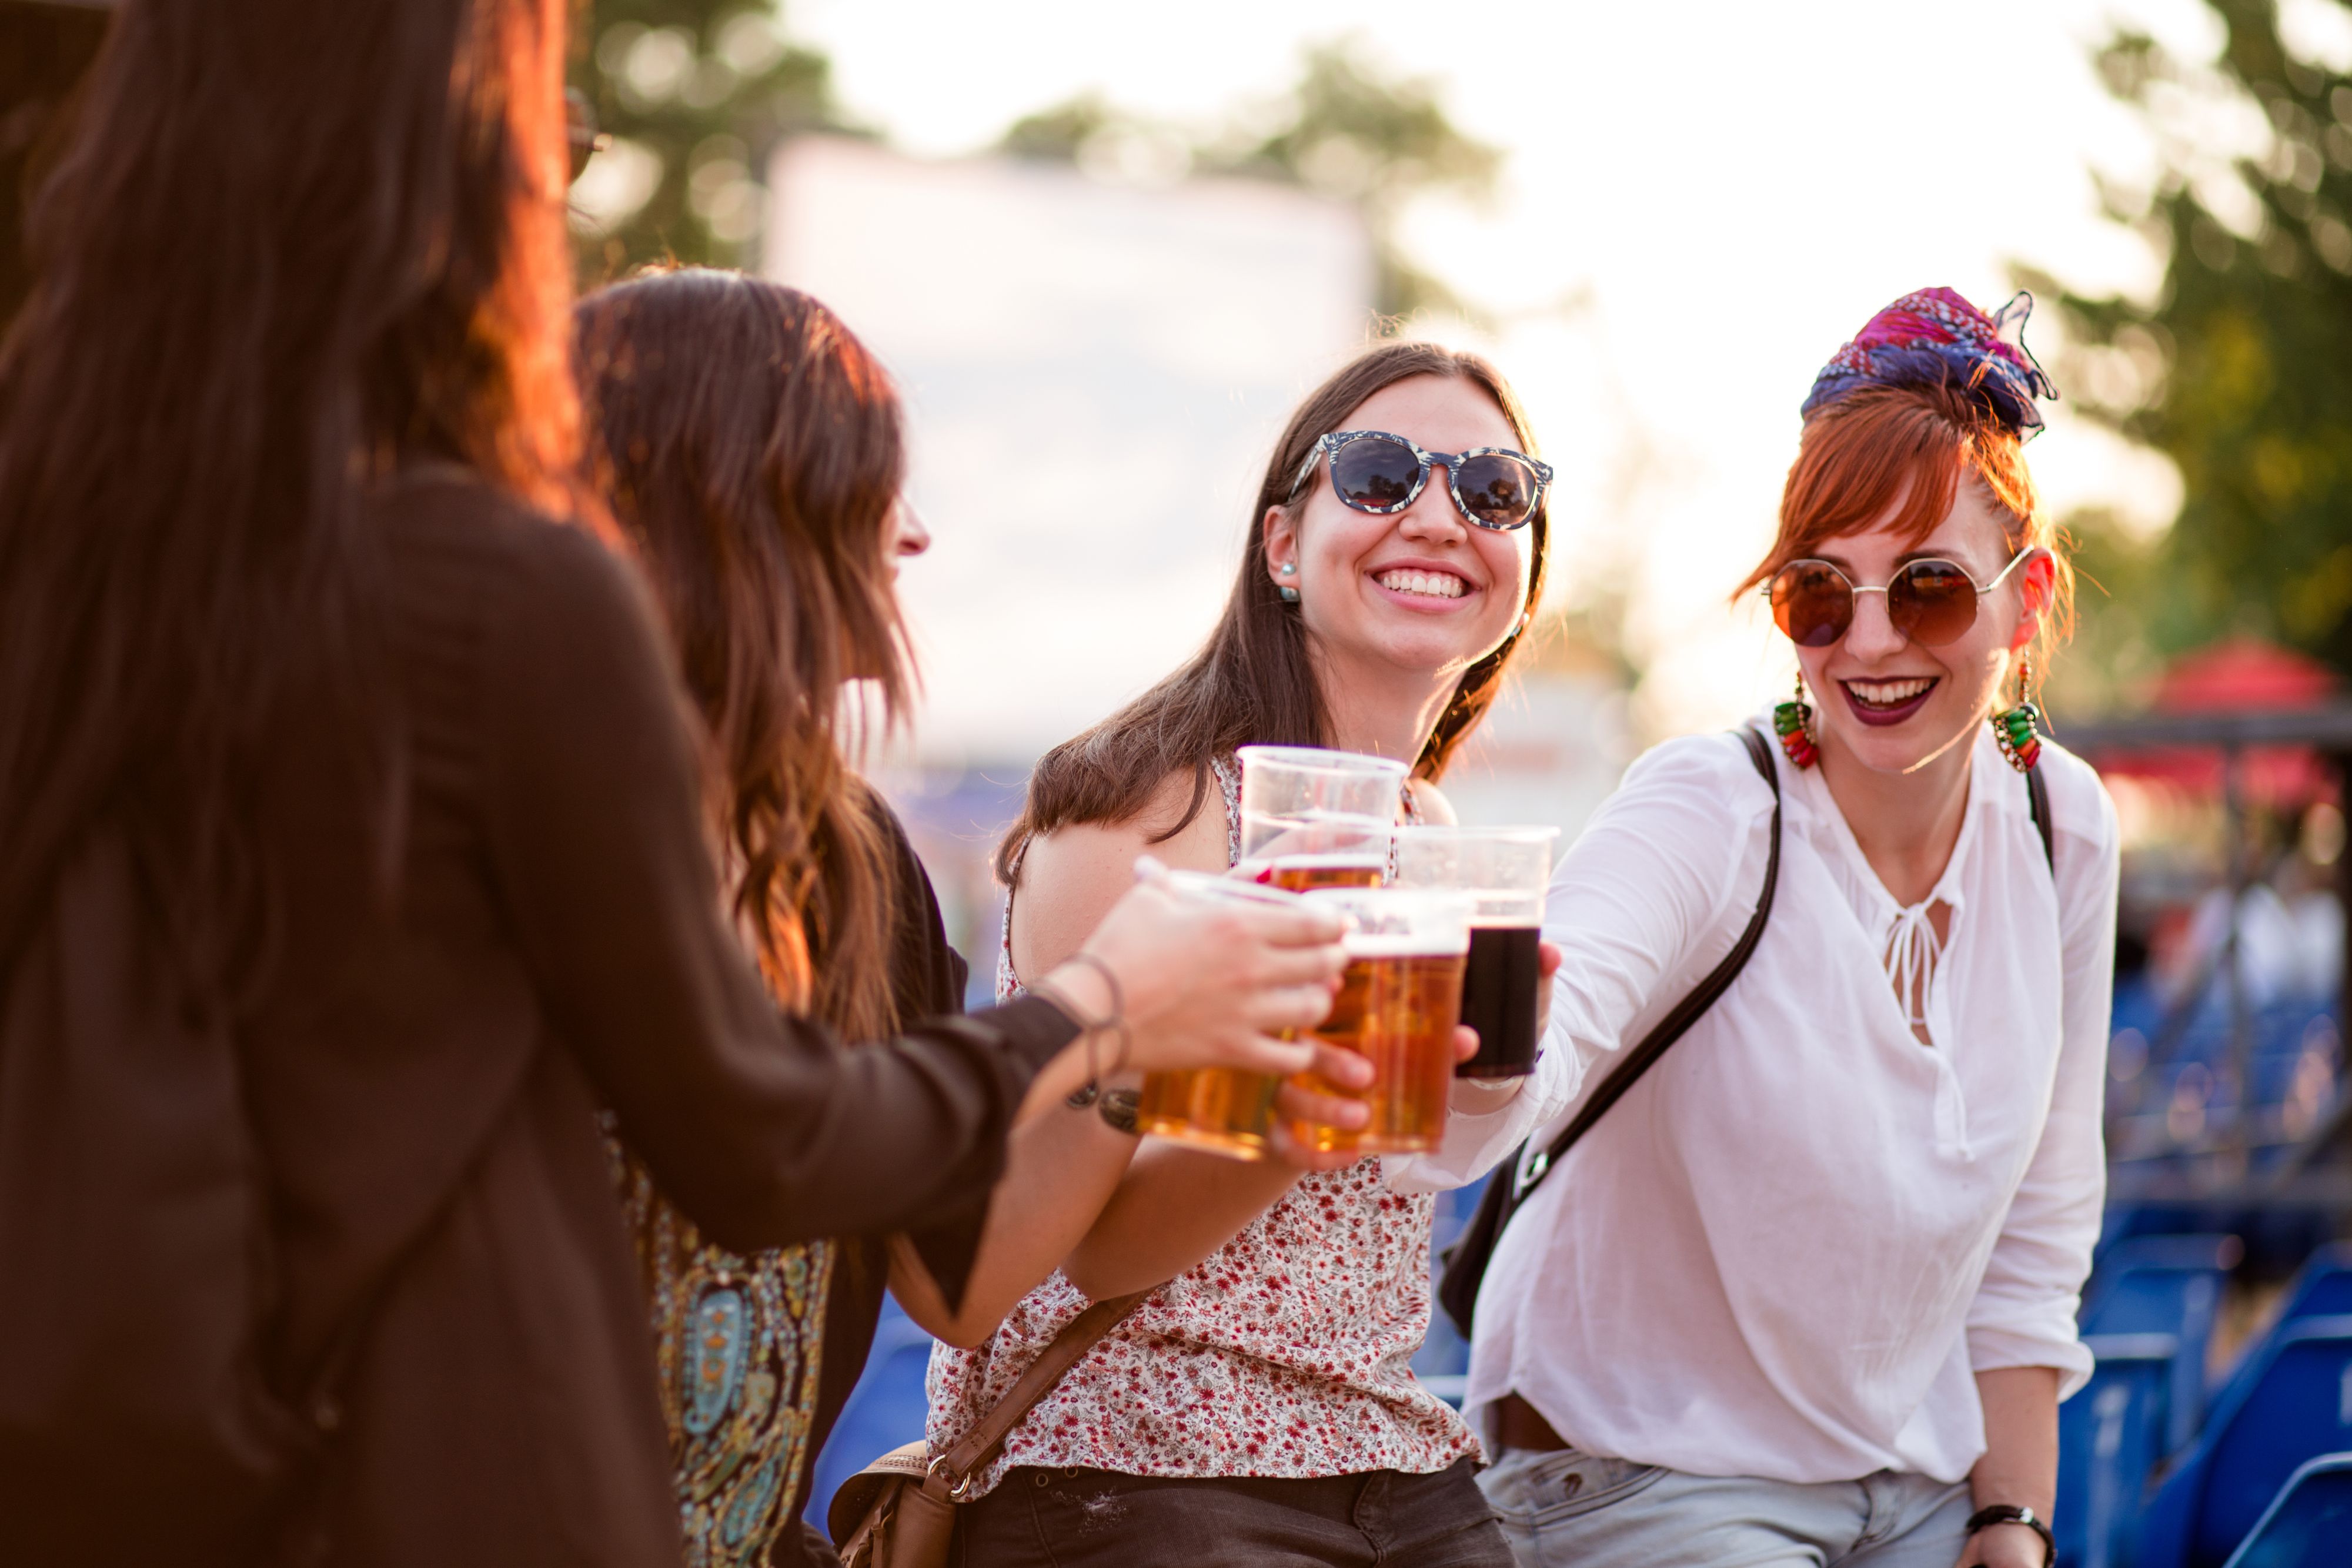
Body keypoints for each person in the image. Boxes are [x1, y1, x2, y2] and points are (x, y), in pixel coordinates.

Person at [0, 6, 1346, 1564]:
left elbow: (953, 1261)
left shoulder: (843, 859)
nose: (912, 543)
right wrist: (1107, 1000)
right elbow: (761, 1136)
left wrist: (1218, 1084)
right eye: (864, 485)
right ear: (717, 504)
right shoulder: (456, 664)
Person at [1467, 288, 2119, 1568]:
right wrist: (1473, 1040)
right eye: (1818, 595)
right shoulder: (1709, 802)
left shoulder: (2061, 826)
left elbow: (2040, 1221)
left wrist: (2010, 1518)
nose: (1866, 641)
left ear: (2022, 597)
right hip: (1637, 1474)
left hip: (1920, 1486)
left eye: (1926, 590)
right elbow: (1539, 1036)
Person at [928, 341, 1565, 1568]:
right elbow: (1096, 1242)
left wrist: (1472, 1076)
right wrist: (1308, 1103)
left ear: (1523, 567)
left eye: (1492, 491)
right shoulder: (1146, 813)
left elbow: (1392, 1190)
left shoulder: (1427, 837)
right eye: (1379, 475)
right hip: (1139, 1462)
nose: (1437, 514)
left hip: (1389, 1456)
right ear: (1282, 545)